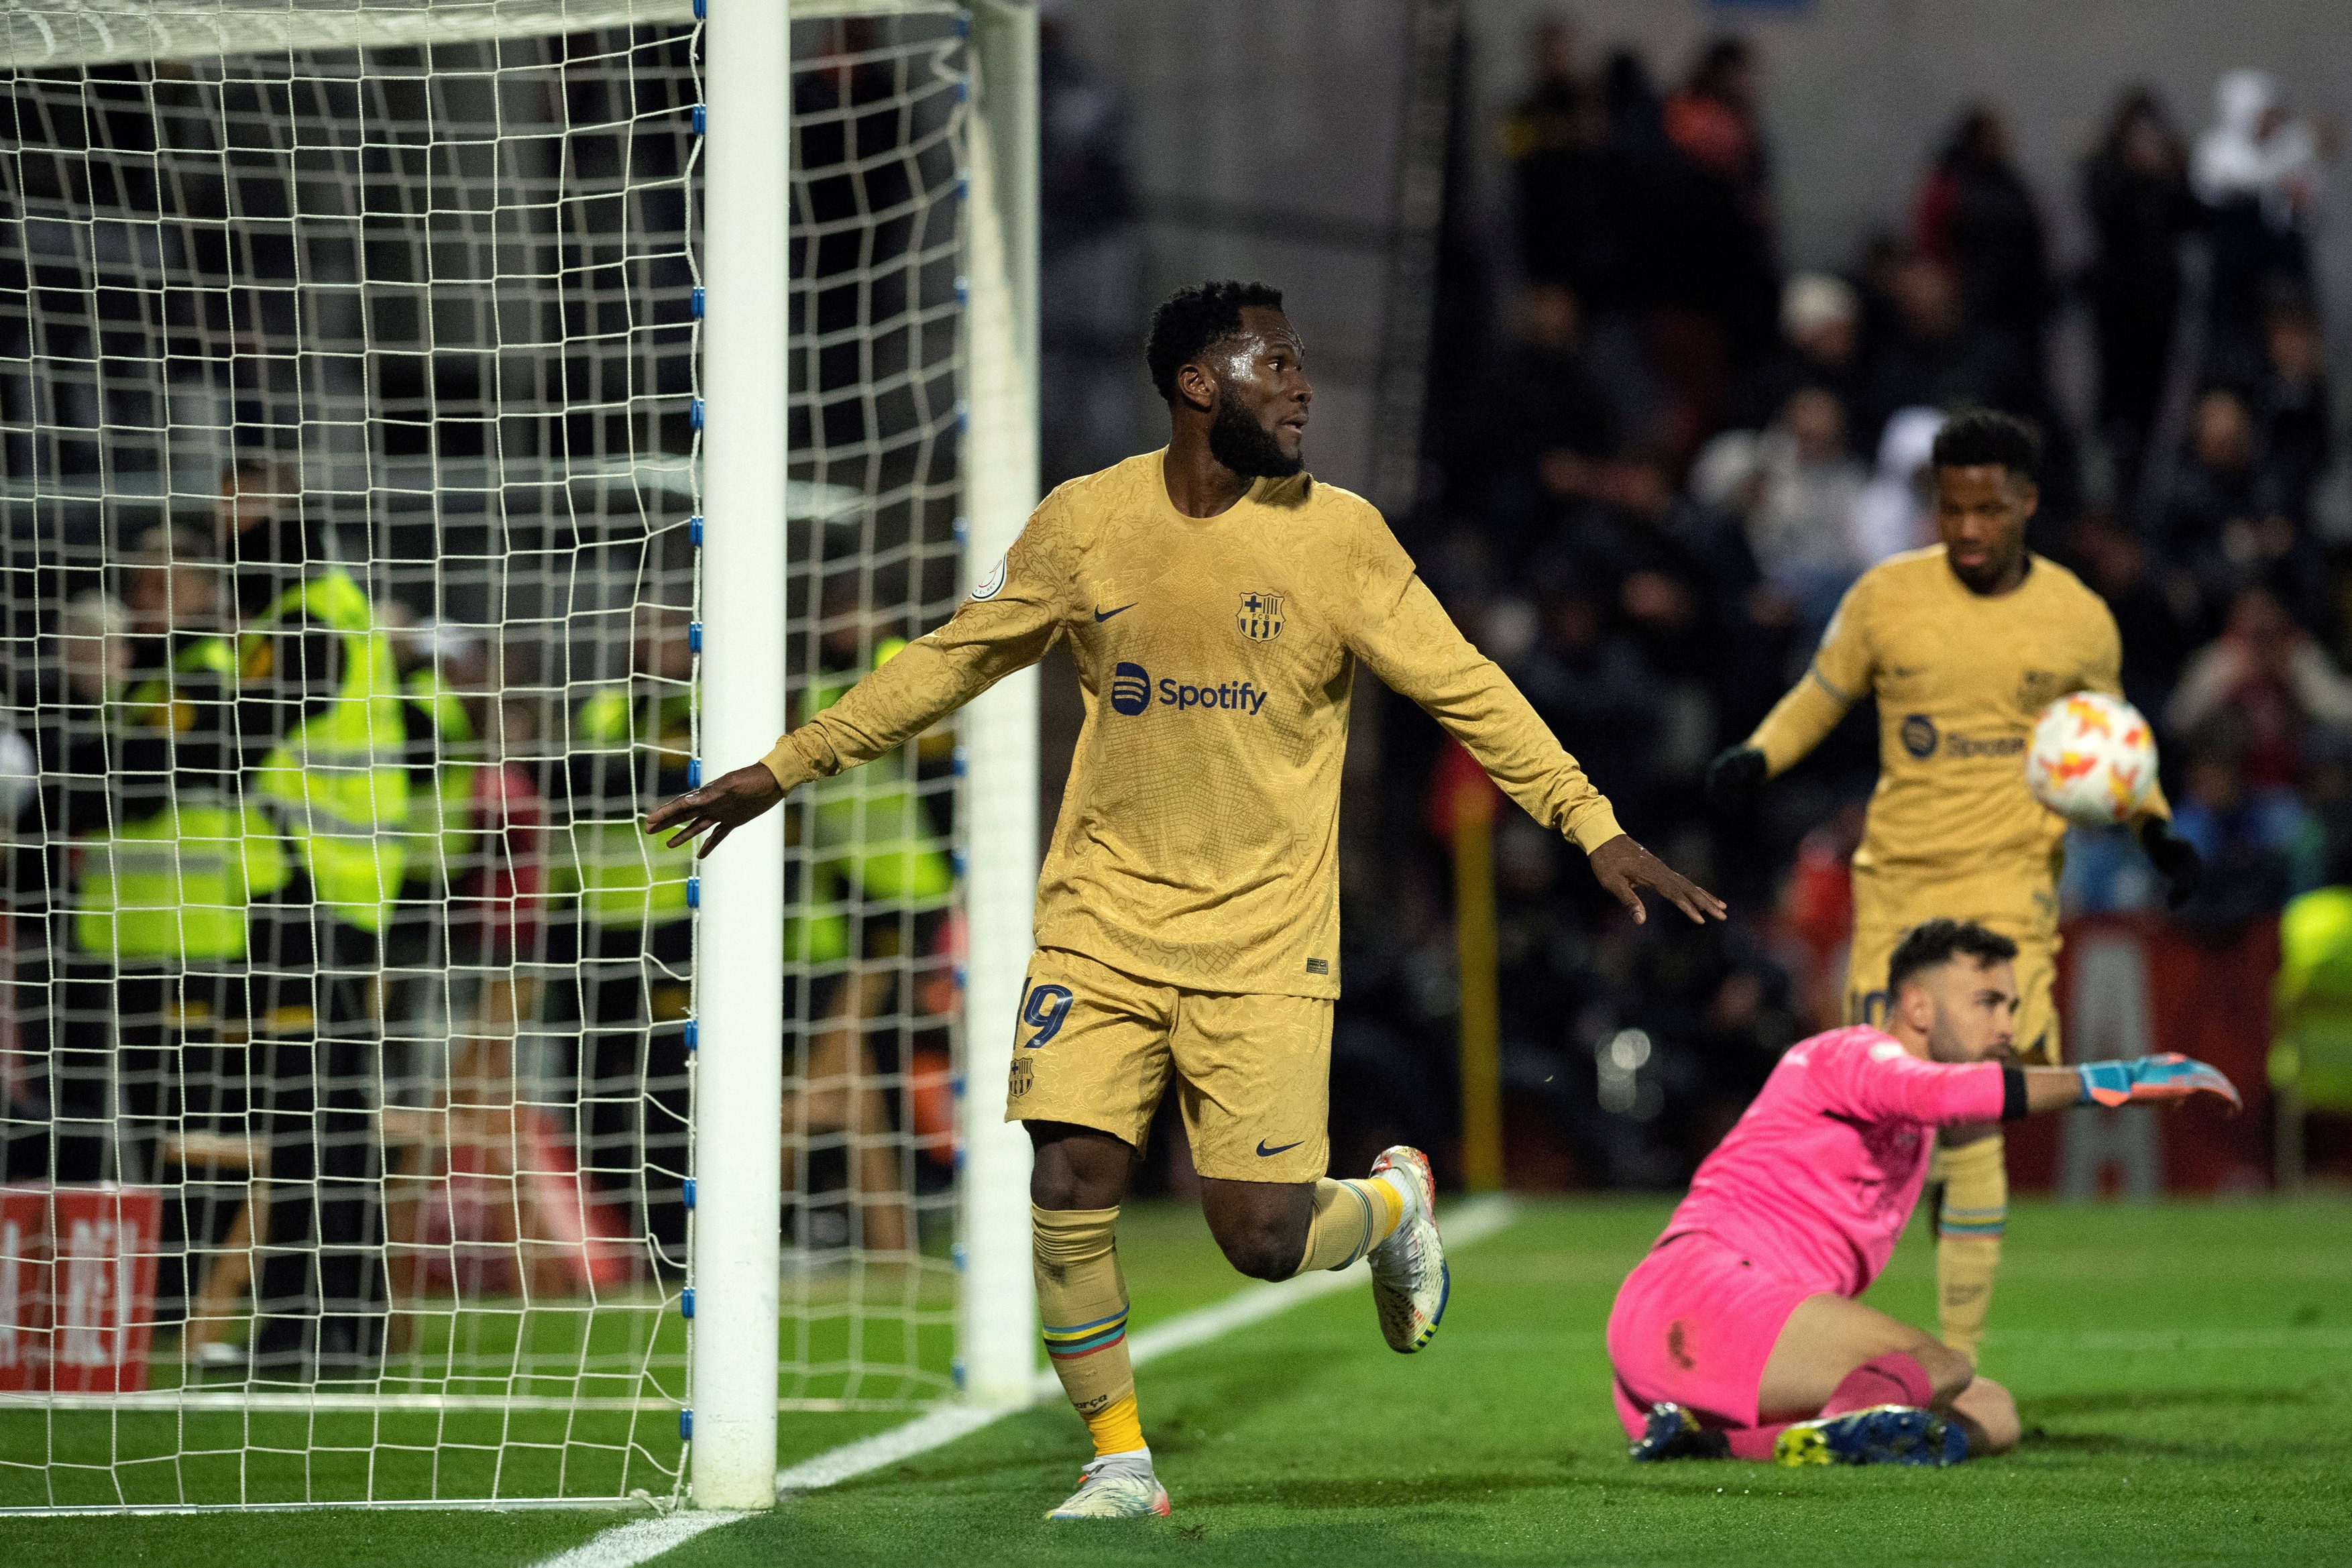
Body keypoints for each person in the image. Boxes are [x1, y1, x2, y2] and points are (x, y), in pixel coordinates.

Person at [649, 279, 1726, 1519]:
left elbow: (1469, 688)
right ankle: (1119, 1462)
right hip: (1100, 918)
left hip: (1262, 938)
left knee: (1260, 1238)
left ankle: (1388, 1204)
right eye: (1276, 362)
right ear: (1197, 386)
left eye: (1301, 360)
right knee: (1068, 1178)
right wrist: (789, 761)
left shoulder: (1341, 537)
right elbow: (952, 657)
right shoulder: (1088, 523)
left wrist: (1591, 823)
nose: (1303, 384)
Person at [1703, 409, 2205, 1369]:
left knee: (1972, 1117)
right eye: (1950, 508)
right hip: (1894, 891)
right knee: (1859, 1123)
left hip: (2008, 898)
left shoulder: (2075, 618)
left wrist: (2157, 832)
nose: (1966, 528)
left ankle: (1956, 1366)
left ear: (2024, 503)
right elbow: (1819, 693)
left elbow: (2111, 746)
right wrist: (1756, 756)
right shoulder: (1884, 597)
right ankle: (1791, 1342)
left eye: (1986, 508)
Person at [1611, 919, 2239, 1465]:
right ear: (1916, 1008)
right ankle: (1834, 1431)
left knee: (1991, 1412)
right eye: (1986, 1002)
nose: (2004, 1025)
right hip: (1698, 1298)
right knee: (1942, 1364)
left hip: (1707, 1354)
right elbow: (1948, 1094)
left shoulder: (1902, 1118)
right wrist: (2116, 1081)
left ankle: (1718, 1444)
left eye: (2010, 1006)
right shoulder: (1847, 1054)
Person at [217, 455, 411, 1376]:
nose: (227, 522)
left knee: (313, 1110)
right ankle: (330, 1323)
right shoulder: (308, 608)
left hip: (317, 896)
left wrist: (165, 731)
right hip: (316, 894)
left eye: (240, 503)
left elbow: (253, 729)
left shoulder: (310, 613)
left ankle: (312, 1325)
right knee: (318, 1110)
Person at [2080, 89, 2199, 510]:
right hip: (2117, 310)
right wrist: (2136, 174)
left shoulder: (2167, 173)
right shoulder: (2105, 168)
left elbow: (2190, 221)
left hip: (2159, 306)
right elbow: (2102, 216)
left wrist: (2173, 174)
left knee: (2153, 403)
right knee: (2118, 408)